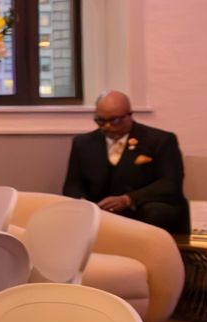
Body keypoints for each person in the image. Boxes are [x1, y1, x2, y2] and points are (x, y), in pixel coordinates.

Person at [62, 90, 187, 238]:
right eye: (101, 121)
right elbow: (72, 185)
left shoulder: (161, 140)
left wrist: (128, 199)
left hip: (144, 207)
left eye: (115, 121)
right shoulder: (83, 143)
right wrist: (87, 205)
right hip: (100, 210)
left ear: (129, 115)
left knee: (157, 212)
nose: (107, 127)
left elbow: (170, 183)